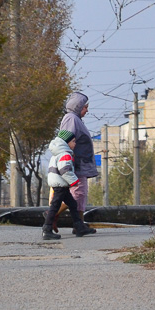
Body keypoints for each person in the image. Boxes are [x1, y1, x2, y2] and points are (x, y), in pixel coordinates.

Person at [57, 92, 98, 234]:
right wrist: (68, 161)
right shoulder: (71, 119)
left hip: (81, 164)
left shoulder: (76, 119)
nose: (87, 110)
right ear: (78, 106)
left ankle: (79, 224)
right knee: (77, 193)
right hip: (76, 164)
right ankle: (53, 213)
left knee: (81, 194)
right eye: (85, 107)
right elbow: (65, 140)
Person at [42, 130, 91, 240]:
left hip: (60, 183)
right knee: (55, 207)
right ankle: (47, 229)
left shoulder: (57, 153)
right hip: (61, 184)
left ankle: (79, 227)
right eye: (73, 141)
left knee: (73, 204)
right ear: (66, 142)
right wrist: (74, 182)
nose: (75, 144)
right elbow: (65, 170)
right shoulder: (65, 154)